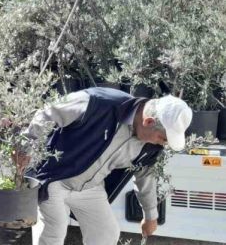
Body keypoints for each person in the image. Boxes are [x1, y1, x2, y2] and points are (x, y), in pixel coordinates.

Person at [23, 88, 192, 245]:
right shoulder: (98, 103)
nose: (163, 144)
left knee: (107, 233)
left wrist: (150, 216)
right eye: (162, 138)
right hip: (55, 178)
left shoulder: (151, 146)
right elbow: (49, 112)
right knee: (55, 230)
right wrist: (26, 147)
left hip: (91, 187)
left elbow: (145, 176)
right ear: (148, 122)